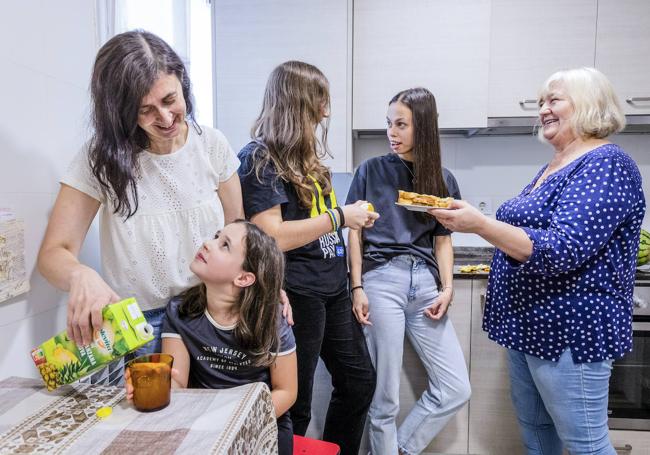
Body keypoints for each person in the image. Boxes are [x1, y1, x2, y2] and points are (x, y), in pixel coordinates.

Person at [430, 67, 645, 455]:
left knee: (586, 444)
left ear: (588, 104)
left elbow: (562, 248)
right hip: (532, 327)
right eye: (542, 102)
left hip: (570, 333)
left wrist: (479, 224)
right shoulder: (555, 165)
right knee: (536, 432)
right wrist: (479, 222)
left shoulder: (605, 163)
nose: (544, 109)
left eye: (554, 99)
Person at [37, 30, 243, 384]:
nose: (164, 118)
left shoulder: (211, 145)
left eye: (170, 99)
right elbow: (53, 254)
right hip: (141, 329)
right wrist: (80, 274)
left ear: (183, 83)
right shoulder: (100, 159)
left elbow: (239, 230)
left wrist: (266, 288)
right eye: (144, 110)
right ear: (119, 112)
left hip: (212, 317)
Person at [237, 61, 378, 455]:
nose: (327, 112)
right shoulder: (259, 159)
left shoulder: (310, 162)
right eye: (322, 101)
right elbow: (272, 237)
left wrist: (354, 285)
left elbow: (326, 232)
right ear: (299, 103)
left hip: (332, 291)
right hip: (296, 295)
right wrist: (340, 216)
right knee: (294, 405)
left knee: (359, 382)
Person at [346, 87, 471, 455]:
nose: (391, 133)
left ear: (424, 128)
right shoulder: (370, 171)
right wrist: (357, 287)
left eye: (401, 124)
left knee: (455, 387)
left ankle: (396, 450)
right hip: (381, 280)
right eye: (389, 124)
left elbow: (443, 240)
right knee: (384, 398)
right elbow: (354, 232)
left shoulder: (443, 180)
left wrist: (447, 287)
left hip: (426, 286)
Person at [126, 220, 297, 454]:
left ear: (244, 279)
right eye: (216, 236)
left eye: (224, 245)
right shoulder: (180, 311)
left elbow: (286, 392)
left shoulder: (272, 319)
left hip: (262, 418)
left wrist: (237, 422)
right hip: (203, 418)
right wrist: (156, 386)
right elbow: (178, 382)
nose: (208, 244)